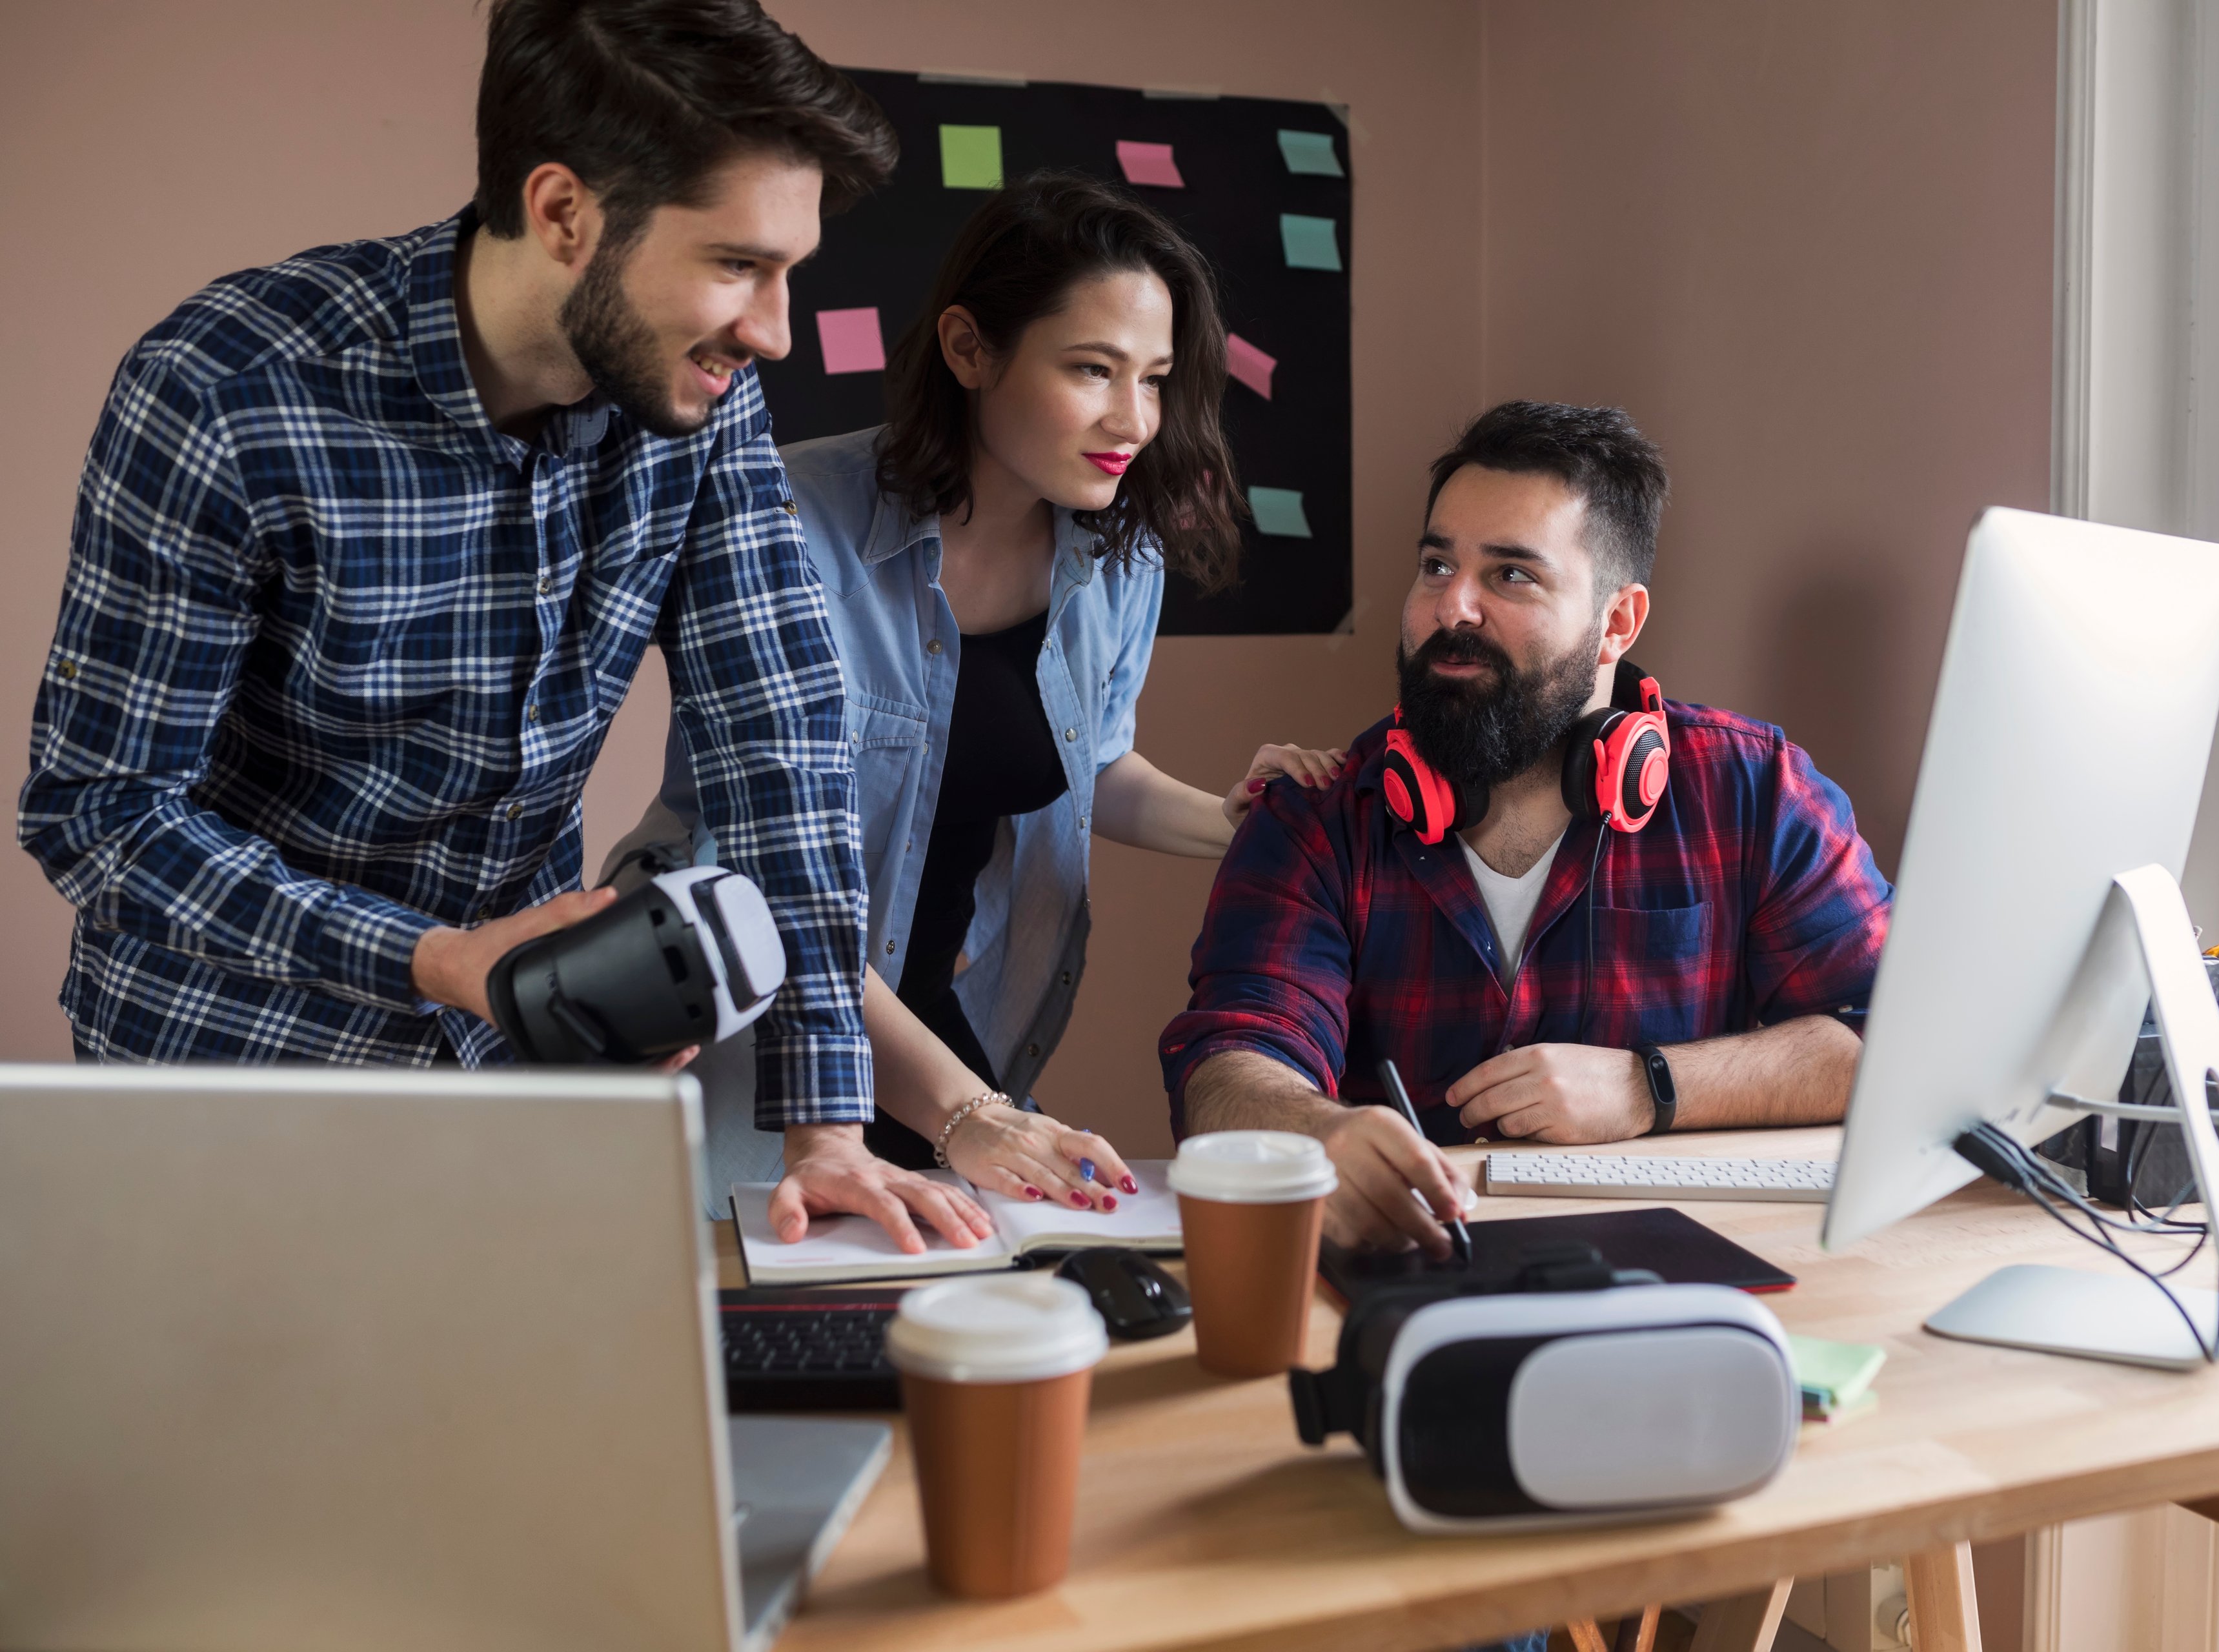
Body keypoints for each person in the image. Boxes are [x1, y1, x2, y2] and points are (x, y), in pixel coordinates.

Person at [15, 0, 988, 1251]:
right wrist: (440, 957)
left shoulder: (702, 399)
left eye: (788, 270)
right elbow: (101, 813)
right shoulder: (224, 394)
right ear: (564, 211)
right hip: (226, 1081)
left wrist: (829, 1129)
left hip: (515, 1087)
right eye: (737, 264)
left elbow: (778, 747)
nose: (772, 328)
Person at [611, 174, 1344, 1240]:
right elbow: (763, 886)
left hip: (949, 1041)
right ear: (969, 349)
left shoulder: (1112, 555)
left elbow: (1089, 764)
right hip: (746, 1034)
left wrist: (1235, 822)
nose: (1133, 420)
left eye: (1154, 378)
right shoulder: (781, 520)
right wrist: (972, 1115)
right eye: (1092, 369)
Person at [1160, 401, 1893, 1255]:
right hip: (1414, 1275)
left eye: (1511, 575)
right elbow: (1228, 1062)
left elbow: (1892, 1041)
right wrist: (1321, 1134)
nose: (1453, 607)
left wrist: (1649, 1084)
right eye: (1437, 565)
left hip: (1675, 1281)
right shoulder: (1317, 814)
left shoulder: (1755, 791)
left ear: (1618, 622)